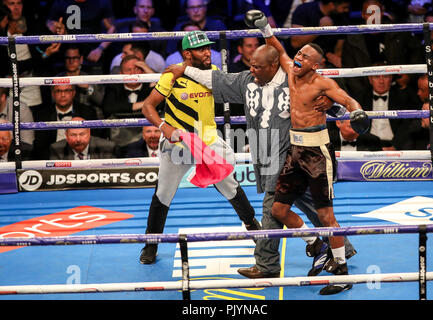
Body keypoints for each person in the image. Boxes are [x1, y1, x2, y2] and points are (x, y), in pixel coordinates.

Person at [164, 45, 357, 281]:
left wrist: (332, 105)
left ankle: (267, 264)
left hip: (291, 150)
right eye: (251, 66)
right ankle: (338, 247)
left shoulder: (294, 78)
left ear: (273, 65)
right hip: (265, 152)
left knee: (272, 207)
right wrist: (183, 68)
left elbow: (334, 103)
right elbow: (215, 79)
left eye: (258, 66)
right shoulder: (247, 80)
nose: (252, 70)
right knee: (306, 202)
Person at [246, 9, 369, 295]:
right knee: (279, 208)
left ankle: (341, 270)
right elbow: (277, 46)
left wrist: (357, 113)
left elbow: (347, 99)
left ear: (315, 66)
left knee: (327, 216)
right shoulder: (291, 70)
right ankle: (315, 242)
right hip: (295, 151)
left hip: (317, 153)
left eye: (305, 57)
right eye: (298, 53)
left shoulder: (322, 83)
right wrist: (264, 26)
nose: (298, 58)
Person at [138, 30, 261, 265]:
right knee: (163, 193)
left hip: (207, 140)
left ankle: (253, 227)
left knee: (230, 185)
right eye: (201, 49)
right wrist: (164, 126)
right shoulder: (172, 76)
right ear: (187, 54)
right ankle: (151, 245)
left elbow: (235, 91)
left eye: (208, 48)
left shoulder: (213, 73)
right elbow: (148, 107)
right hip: (178, 142)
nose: (207, 52)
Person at [341, 0, 424, 97]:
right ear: (363, 15)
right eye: (369, 13)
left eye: (376, 13)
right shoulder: (352, 38)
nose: (373, 17)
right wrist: (363, 93)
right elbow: (348, 67)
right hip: (364, 92)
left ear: (382, 13)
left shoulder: (397, 30)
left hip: (398, 89)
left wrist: (409, 75)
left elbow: (417, 50)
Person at [356, 64, 421, 151]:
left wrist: (396, 146)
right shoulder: (360, 98)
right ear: (370, 79)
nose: (381, 81)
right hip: (367, 145)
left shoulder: (403, 97)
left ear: (391, 78)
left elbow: (407, 126)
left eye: (385, 76)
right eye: (376, 77)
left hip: (395, 145)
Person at [32, 84, 97, 160]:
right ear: (53, 94)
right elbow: (40, 146)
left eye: (67, 91)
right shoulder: (42, 114)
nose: (63, 95)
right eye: (58, 91)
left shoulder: (87, 112)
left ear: (73, 93)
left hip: (80, 156)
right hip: (52, 158)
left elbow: (94, 141)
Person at [290, 0, 352, 67]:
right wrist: (319, 29)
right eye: (344, 7)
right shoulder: (304, 10)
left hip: (327, 62)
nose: (346, 10)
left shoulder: (342, 17)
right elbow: (295, 43)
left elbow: (338, 51)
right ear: (331, 5)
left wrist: (336, 61)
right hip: (302, 59)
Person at [57, 45, 105, 120]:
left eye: (75, 58)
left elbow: (102, 101)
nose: (71, 61)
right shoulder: (58, 79)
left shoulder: (90, 78)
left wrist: (88, 88)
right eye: (68, 58)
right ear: (64, 59)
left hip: (89, 120)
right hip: (64, 119)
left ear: (81, 59)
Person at [49, 117, 118, 160]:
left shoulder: (107, 147)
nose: (78, 139)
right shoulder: (57, 149)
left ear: (89, 133)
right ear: (66, 135)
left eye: (82, 134)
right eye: (73, 135)